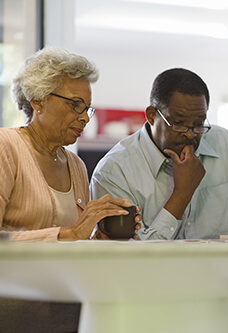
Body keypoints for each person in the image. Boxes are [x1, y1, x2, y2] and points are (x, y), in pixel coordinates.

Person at [90, 68, 228, 332]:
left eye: (199, 123)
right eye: (178, 123)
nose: (190, 134)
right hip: (147, 305)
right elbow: (130, 267)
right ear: (152, 115)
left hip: (223, 297)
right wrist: (182, 194)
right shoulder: (114, 171)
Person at [0, 47, 141, 331]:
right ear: (38, 101)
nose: (85, 118)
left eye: (87, 108)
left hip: (69, 305)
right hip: (13, 307)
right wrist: (70, 234)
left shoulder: (75, 164)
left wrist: (100, 238)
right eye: (75, 105)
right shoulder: (6, 147)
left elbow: (72, 246)